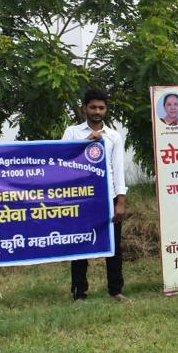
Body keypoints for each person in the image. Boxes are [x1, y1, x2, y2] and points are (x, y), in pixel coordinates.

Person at [61, 88, 129, 303]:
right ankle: (79, 293)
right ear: (85, 109)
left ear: (106, 109)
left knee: (114, 246)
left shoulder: (113, 136)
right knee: (80, 245)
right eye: (93, 107)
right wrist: (87, 142)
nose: (97, 111)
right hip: (81, 198)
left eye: (101, 108)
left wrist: (120, 201)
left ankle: (116, 290)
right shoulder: (72, 133)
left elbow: (118, 170)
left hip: (107, 198)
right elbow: (63, 162)